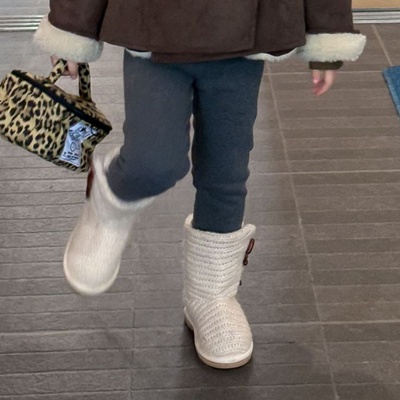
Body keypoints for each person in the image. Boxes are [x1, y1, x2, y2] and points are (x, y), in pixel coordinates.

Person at [35, 1, 366, 369]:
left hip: (246, 37)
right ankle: (111, 199)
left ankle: (212, 295)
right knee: (153, 161)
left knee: (226, 170)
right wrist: (71, 27)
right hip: (152, 27)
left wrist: (326, 31)